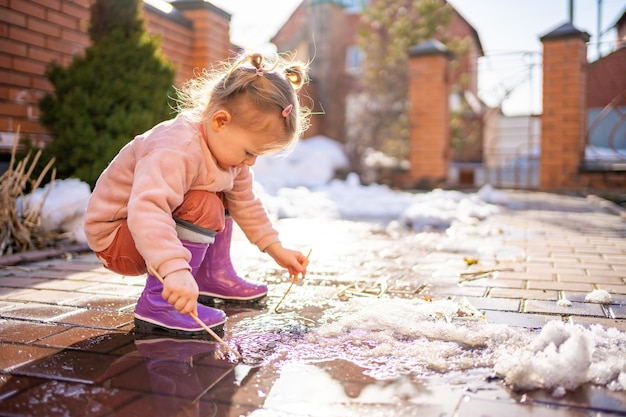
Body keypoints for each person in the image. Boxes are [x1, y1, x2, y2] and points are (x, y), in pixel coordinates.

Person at [84, 52, 310, 336]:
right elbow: (148, 211)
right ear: (220, 121)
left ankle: (211, 276)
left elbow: (247, 203)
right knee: (204, 203)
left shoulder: (228, 155)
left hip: (148, 236)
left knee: (223, 195)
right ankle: (160, 303)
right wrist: (175, 271)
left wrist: (277, 249)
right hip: (117, 237)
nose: (250, 162)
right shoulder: (175, 149)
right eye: (249, 152)